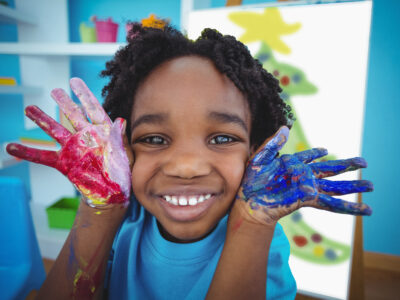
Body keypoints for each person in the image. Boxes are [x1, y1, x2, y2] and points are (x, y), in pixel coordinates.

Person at [6, 21, 373, 300]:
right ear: (125, 150)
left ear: (256, 150)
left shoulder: (263, 238)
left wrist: (252, 222)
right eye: (153, 139)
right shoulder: (123, 219)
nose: (186, 166)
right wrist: (98, 210)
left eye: (222, 138)